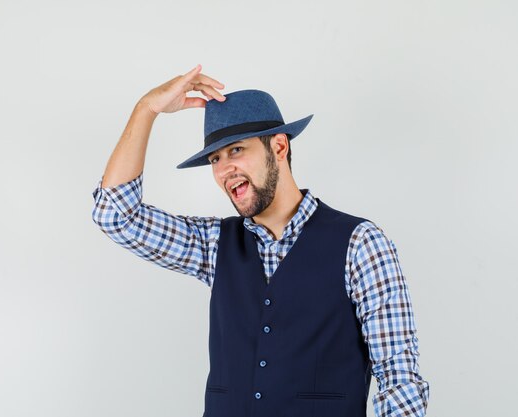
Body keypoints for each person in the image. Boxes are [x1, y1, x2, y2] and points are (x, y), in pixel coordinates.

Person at [92, 64, 430, 417]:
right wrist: (146, 109)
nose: (224, 170)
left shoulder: (360, 245)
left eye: (236, 150)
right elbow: (115, 215)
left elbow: (400, 380)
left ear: (279, 147)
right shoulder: (213, 245)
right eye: (215, 158)